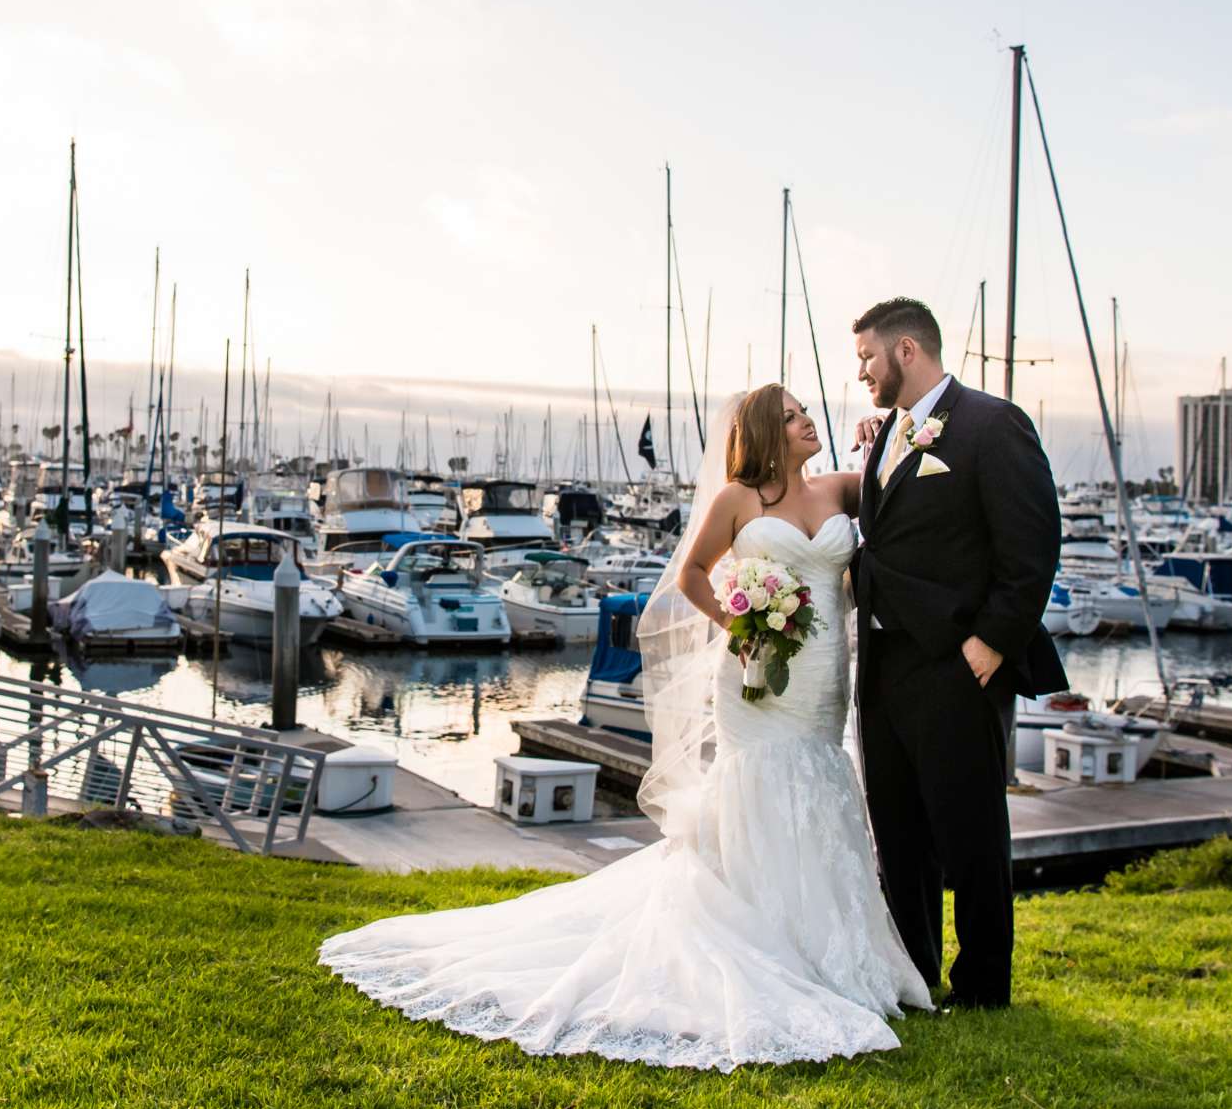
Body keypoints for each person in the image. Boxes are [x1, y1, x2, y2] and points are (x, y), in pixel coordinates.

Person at [317, 385, 929, 1070]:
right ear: (767, 432)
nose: (808, 422)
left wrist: (890, 430)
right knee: (760, 785)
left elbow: (899, 475)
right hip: (757, 675)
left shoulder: (841, 489)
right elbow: (694, 574)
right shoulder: (737, 500)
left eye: (806, 414)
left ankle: (834, 948)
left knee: (818, 779)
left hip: (823, 676)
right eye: (793, 417)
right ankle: (767, 935)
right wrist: (739, 623)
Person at [849, 297, 1064, 1011]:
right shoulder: (889, 434)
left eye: (867, 359)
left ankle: (982, 987)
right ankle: (917, 976)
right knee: (900, 837)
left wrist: (991, 643)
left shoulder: (992, 425)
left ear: (907, 351)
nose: (862, 374)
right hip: (883, 668)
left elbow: (1031, 548)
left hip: (956, 664)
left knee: (969, 832)